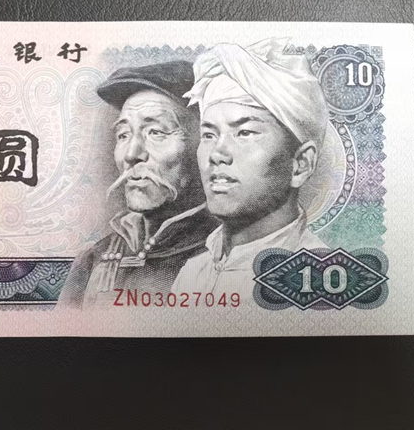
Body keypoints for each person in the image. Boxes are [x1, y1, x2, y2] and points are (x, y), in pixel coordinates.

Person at [172, 39, 328, 300]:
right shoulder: (192, 273)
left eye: (244, 133)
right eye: (209, 134)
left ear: (301, 163)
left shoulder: (318, 278)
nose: (217, 154)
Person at [60, 61, 217, 307]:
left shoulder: (228, 254)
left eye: (156, 132)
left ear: (204, 144)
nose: (131, 154)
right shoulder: (93, 260)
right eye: (123, 135)